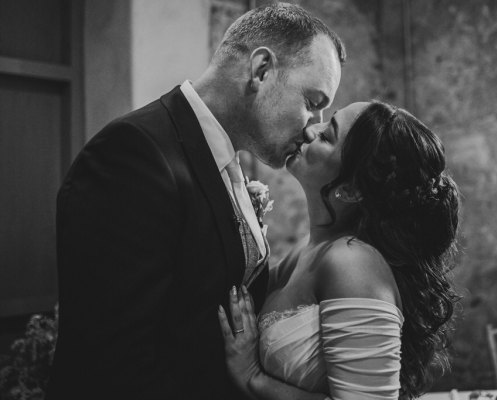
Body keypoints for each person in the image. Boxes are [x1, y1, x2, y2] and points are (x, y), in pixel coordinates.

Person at [46, 3, 344, 400]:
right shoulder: (133, 155)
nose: (312, 128)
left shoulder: (224, 158)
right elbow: (113, 365)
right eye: (311, 101)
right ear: (260, 70)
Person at [218, 101, 461, 400]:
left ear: (350, 190)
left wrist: (253, 378)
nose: (310, 130)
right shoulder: (302, 254)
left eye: (327, 135)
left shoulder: (353, 263)